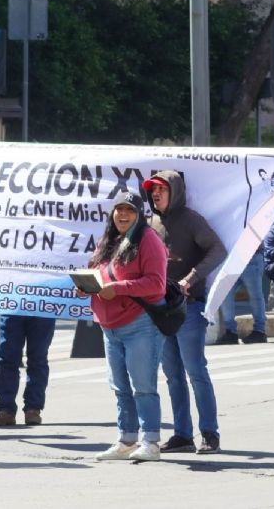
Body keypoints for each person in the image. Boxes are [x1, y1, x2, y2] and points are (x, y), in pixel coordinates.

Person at [77, 192, 168, 462]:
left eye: (129, 210)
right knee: (119, 387)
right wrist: (87, 287)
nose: (123, 215)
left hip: (140, 324)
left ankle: (150, 441)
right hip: (109, 327)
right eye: (118, 210)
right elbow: (98, 272)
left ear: (139, 214)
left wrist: (117, 289)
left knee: (143, 385)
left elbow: (156, 284)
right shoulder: (109, 240)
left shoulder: (149, 240)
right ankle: (127, 439)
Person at [143, 171, 226, 455]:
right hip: (160, 310)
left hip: (189, 308)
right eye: (152, 189)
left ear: (175, 191)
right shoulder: (150, 223)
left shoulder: (192, 220)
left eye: (161, 189)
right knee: (172, 375)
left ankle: (210, 434)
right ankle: (182, 434)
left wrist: (191, 278)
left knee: (195, 372)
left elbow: (218, 250)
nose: (155, 194)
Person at [0, 313, 56, 427]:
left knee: (38, 359)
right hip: (12, 307)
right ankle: (5, 410)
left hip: (43, 308)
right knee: (6, 359)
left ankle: (33, 409)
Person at [215, 247, 268, 345]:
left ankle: (260, 331)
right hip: (231, 258)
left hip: (251, 255)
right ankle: (230, 331)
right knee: (225, 293)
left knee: (255, 296)